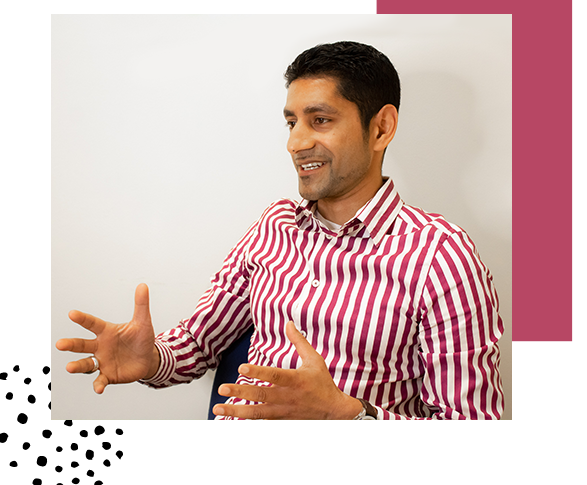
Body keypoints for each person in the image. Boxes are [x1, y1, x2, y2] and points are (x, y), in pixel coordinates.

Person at [56, 41, 504, 420]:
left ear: (381, 128)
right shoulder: (276, 225)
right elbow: (197, 343)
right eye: (292, 122)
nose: (296, 143)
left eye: (320, 120)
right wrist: (153, 358)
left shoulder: (442, 257)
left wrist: (349, 416)